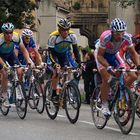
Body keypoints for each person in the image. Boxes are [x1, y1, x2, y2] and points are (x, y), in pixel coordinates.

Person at [95, 18, 140, 117]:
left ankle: (122, 92)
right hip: (101, 55)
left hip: (114, 54)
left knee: (133, 75)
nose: (120, 36)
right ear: (112, 31)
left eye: (122, 33)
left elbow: (133, 53)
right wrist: (108, 67)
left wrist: (138, 65)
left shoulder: (127, 37)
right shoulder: (105, 37)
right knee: (107, 78)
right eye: (117, 34)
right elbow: (100, 56)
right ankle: (104, 104)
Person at [47, 18, 81, 102]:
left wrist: (79, 63)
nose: (66, 32)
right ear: (59, 30)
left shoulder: (72, 36)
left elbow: (76, 51)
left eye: (67, 30)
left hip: (63, 55)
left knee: (66, 69)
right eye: (63, 30)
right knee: (57, 72)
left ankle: (64, 90)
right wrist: (55, 64)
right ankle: (54, 94)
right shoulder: (53, 37)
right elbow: (50, 52)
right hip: (54, 55)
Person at [0, 23, 32, 107]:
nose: (9, 34)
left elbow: (24, 50)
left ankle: (18, 89)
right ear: (3, 33)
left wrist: (28, 60)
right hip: (1, 57)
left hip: (10, 54)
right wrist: (4, 65)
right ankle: (4, 96)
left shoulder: (16, 37)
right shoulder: (0, 39)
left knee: (19, 70)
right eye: (7, 33)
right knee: (5, 72)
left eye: (10, 32)